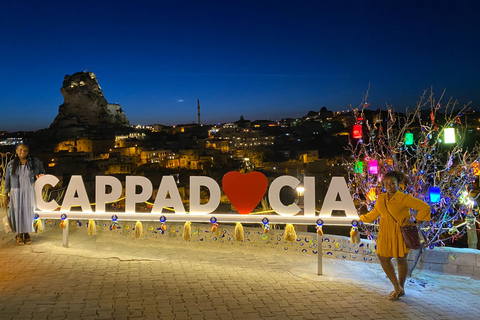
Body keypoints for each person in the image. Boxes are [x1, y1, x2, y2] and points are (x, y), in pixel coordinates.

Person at [360, 171, 430, 301]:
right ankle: (397, 286)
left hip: (399, 233)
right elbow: (375, 212)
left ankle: (400, 288)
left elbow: (424, 207)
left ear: (398, 183)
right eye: (386, 183)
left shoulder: (403, 198)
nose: (389, 186)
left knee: (400, 259)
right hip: (385, 233)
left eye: (393, 183)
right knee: (383, 257)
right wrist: (361, 218)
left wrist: (415, 222)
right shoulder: (381, 198)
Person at [3, 143, 45, 245]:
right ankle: (19, 234)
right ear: (16, 151)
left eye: (25, 150)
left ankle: (26, 233)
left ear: (28, 151)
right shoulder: (11, 164)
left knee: (28, 212)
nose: (23, 152)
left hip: (30, 190)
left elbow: (42, 174)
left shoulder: (35, 162)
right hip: (16, 191)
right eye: (21, 150)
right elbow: (7, 180)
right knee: (18, 212)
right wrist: (5, 194)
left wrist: (41, 186)